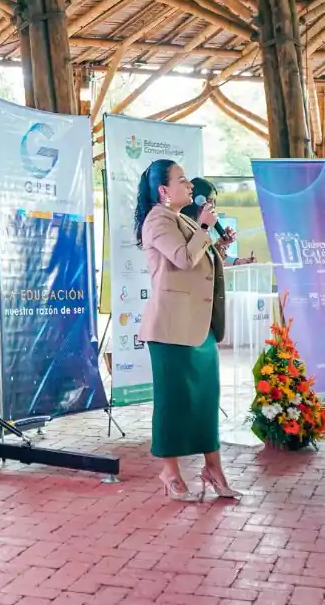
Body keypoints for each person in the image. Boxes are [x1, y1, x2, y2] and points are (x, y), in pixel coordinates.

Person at [135, 159, 240, 502]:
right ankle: (171, 473)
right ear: (163, 190)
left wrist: (217, 245)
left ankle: (214, 469)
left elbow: (196, 266)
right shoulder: (157, 220)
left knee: (206, 401)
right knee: (173, 404)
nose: (190, 186)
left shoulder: (183, 219)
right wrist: (205, 229)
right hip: (171, 329)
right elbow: (182, 258)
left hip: (199, 326)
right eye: (182, 180)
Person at [181, 177, 256, 266]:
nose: (212, 205)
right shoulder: (182, 225)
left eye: (214, 201)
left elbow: (211, 258)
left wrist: (222, 245)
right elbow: (190, 259)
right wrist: (204, 227)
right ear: (196, 200)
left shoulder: (209, 225)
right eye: (209, 200)